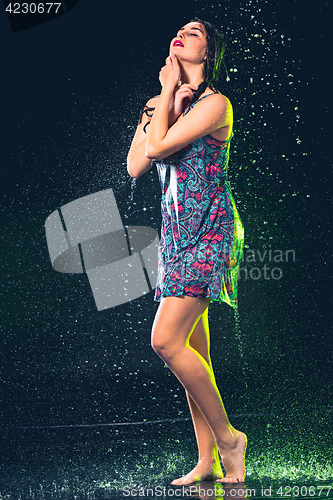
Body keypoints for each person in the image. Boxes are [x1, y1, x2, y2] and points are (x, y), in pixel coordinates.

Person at [127, 17, 246, 484]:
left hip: (211, 232)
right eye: (179, 30)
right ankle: (208, 458)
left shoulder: (215, 104)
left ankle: (230, 439)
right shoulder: (159, 104)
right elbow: (136, 164)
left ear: (209, 54)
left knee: (165, 341)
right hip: (176, 237)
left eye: (194, 33)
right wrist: (164, 101)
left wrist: (171, 93)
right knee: (195, 352)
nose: (182, 34)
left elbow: (157, 148)